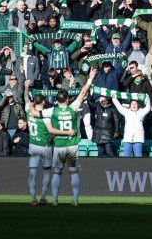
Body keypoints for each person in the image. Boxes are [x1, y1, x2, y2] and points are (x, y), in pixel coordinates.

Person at [48, 69, 95, 206]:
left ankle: (55, 200)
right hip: (72, 145)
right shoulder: (73, 107)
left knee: (57, 173)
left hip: (59, 146)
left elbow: (37, 112)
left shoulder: (53, 111)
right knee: (74, 173)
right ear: (67, 99)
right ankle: (75, 200)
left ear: (56, 100)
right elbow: (82, 93)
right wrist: (90, 79)